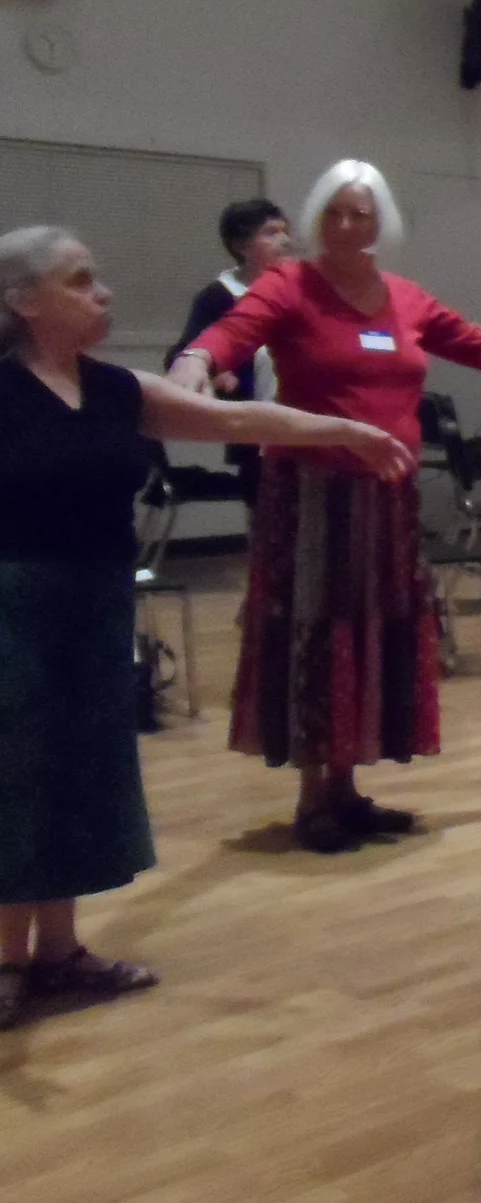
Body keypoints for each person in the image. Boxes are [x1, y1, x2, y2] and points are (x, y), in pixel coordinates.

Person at [1, 226, 410, 1028]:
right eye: (80, 280)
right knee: (18, 777)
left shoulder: (116, 388)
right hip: (15, 606)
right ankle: (8, 957)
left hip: (96, 604)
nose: (103, 292)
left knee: (84, 771)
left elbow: (233, 420)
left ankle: (59, 948)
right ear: (24, 302)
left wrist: (344, 429)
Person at [170, 161, 481, 854]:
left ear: (381, 223)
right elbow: (231, 333)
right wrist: (196, 363)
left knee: (373, 633)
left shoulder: (405, 298)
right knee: (318, 633)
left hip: (387, 497)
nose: (347, 226)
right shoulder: (289, 285)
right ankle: (313, 795)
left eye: (361, 214)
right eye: (335, 213)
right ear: (316, 219)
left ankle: (347, 788)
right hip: (313, 494)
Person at [165, 197, 295, 502]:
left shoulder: (298, 289)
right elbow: (183, 354)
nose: (284, 241)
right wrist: (217, 372)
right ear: (241, 245)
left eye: (285, 232)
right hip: (255, 430)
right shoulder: (219, 297)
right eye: (271, 233)